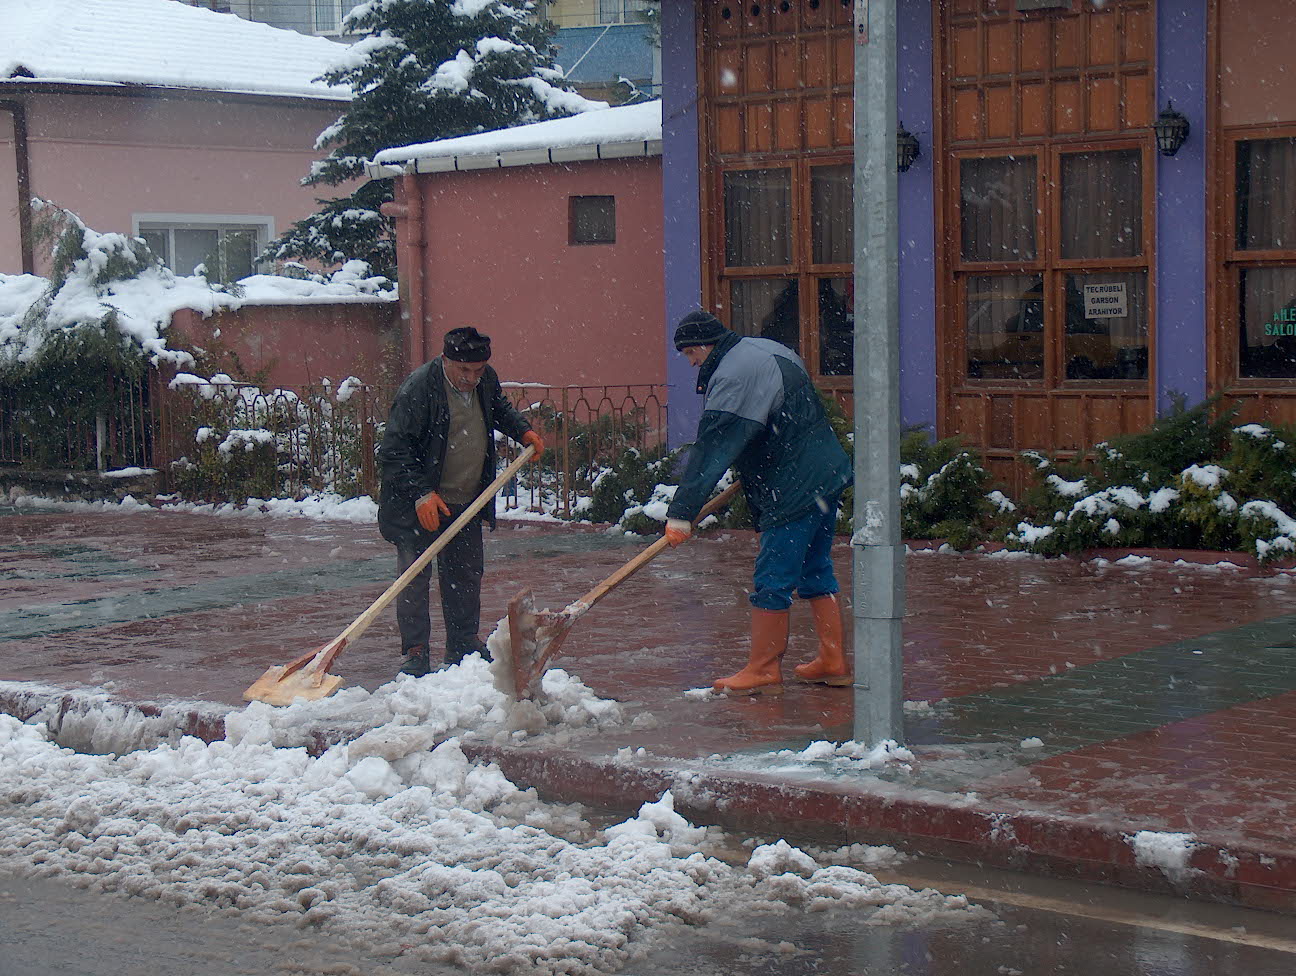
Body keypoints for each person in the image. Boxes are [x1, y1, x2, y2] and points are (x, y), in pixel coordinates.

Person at [663, 310, 852, 696]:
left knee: (773, 576)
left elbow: (713, 444)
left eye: (688, 353)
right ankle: (833, 660)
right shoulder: (762, 349)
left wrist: (681, 514)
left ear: (701, 345)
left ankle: (764, 667)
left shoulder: (734, 374)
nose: (689, 361)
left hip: (794, 484)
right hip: (824, 472)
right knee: (815, 568)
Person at [377, 327, 543, 677]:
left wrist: (522, 430)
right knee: (414, 578)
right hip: (417, 502)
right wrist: (421, 493)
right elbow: (394, 449)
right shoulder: (420, 389)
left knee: (464, 575)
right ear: (446, 361)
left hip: (466, 500)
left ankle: (463, 644)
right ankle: (416, 651)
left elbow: (497, 408)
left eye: (478, 370)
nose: (471, 378)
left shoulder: (485, 380)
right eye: (464, 370)